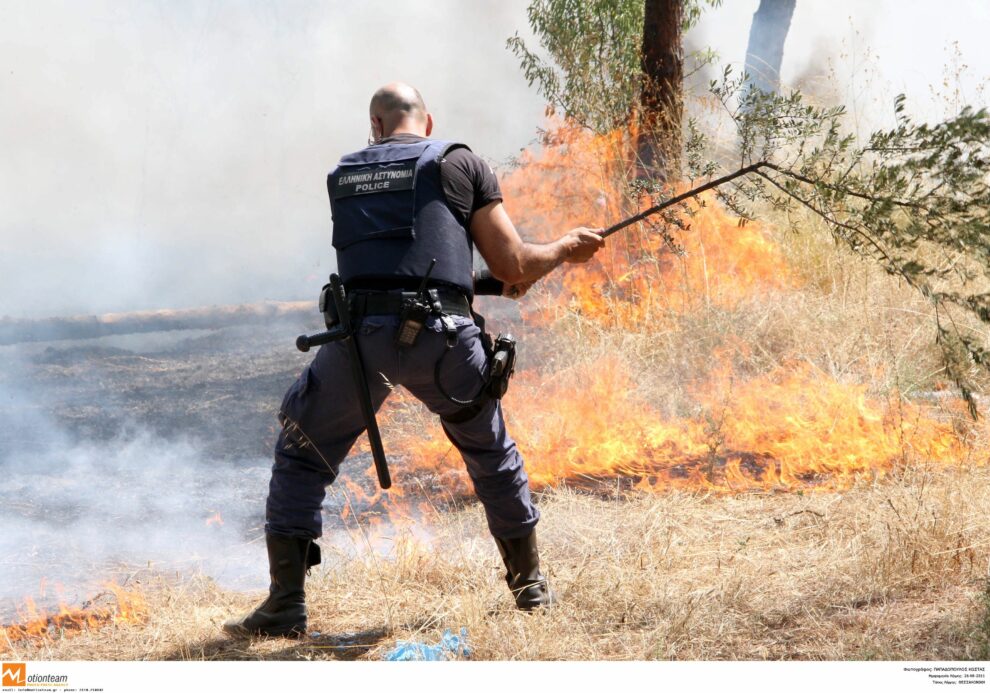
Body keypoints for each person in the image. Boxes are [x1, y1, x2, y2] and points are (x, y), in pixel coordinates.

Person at [224, 82, 603, 638]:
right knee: (490, 451)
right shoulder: (458, 161)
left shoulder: (344, 174)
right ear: (428, 124)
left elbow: (388, 272)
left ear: (374, 127)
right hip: (444, 343)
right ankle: (531, 588)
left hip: (357, 345)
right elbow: (516, 261)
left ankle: (285, 605)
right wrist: (565, 250)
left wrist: (484, 283)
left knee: (302, 454)